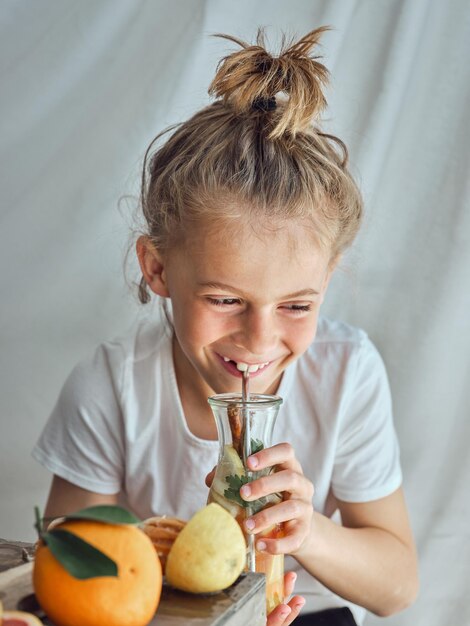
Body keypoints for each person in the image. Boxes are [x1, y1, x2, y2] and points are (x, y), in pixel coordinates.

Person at [33, 27, 419, 626]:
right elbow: (67, 570)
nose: (260, 340)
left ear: (328, 278)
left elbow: (397, 586)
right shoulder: (112, 385)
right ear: (157, 269)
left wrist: (306, 530)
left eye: (296, 306)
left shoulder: (348, 373)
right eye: (224, 299)